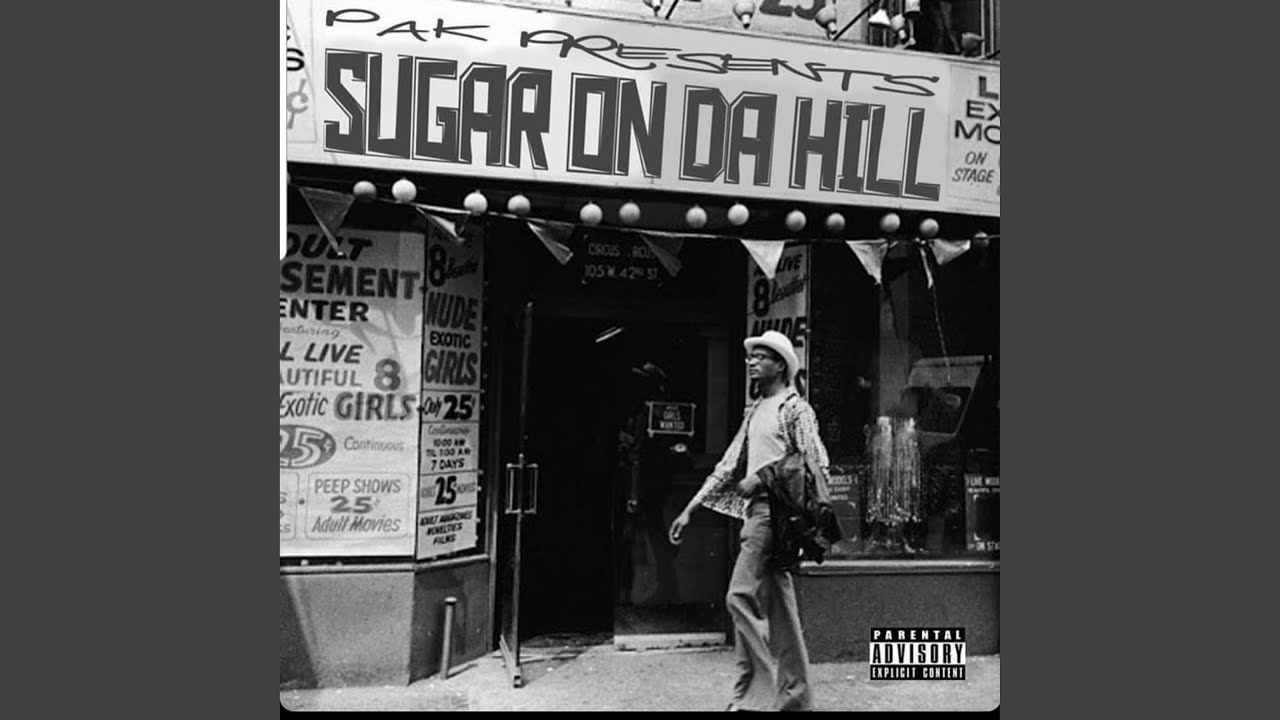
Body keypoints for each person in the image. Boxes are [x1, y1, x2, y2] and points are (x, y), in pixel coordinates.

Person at [668, 331, 832, 712]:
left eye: (761, 357)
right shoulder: (757, 411)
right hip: (757, 514)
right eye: (750, 357)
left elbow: (818, 464)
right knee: (783, 614)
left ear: (781, 365)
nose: (752, 362)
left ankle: (755, 699)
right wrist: (691, 508)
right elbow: (727, 465)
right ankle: (796, 699)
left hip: (774, 517)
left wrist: (762, 477)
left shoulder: (795, 409)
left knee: (738, 596)